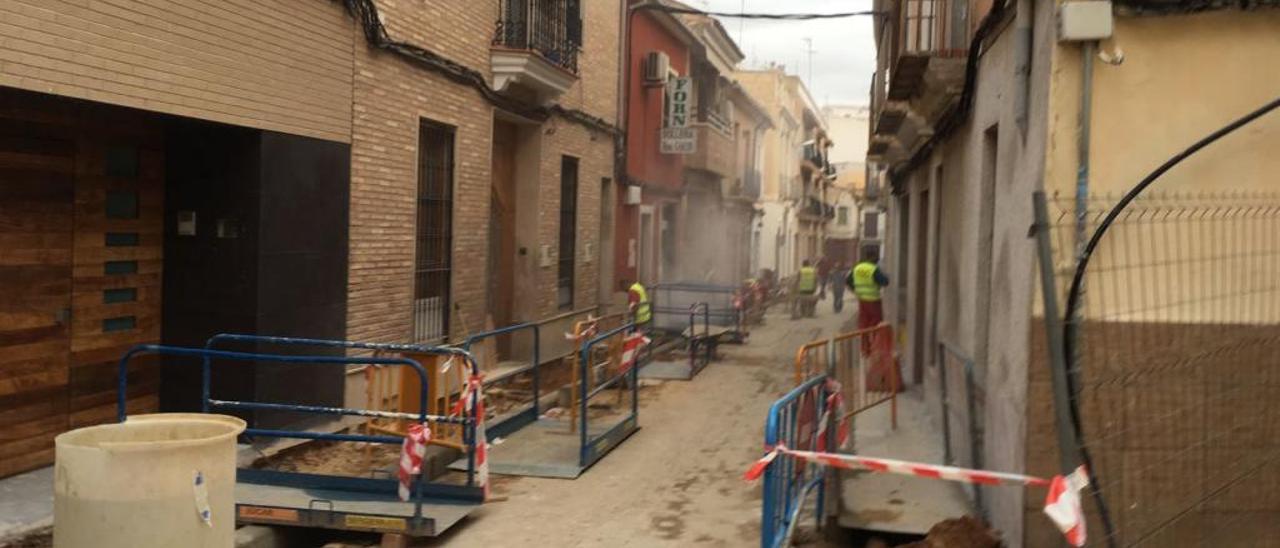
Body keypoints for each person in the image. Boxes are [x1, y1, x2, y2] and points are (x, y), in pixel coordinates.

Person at [848, 249, 890, 353]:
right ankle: (875, 346)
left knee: (863, 324)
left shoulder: (857, 268)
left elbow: (848, 281)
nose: (876, 261)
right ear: (872, 258)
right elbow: (885, 282)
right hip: (873, 300)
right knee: (876, 323)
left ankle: (865, 349)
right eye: (876, 259)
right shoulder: (873, 269)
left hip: (862, 300)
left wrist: (856, 289)